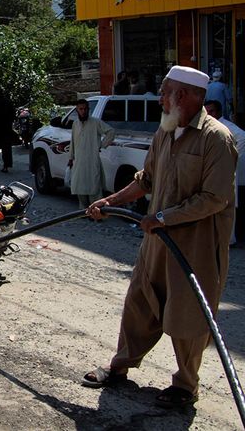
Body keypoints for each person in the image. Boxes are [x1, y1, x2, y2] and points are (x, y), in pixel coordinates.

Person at [82, 66, 237, 410]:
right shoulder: (165, 131)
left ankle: (186, 386)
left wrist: (164, 217)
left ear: (183, 96)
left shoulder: (216, 139)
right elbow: (146, 179)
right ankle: (120, 365)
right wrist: (111, 201)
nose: (160, 100)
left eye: (165, 93)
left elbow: (215, 198)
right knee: (139, 301)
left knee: (188, 315)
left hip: (195, 246)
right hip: (157, 239)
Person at [205, 99, 245, 244]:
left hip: (226, 175)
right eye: (206, 111)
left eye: (212, 111)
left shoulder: (229, 128)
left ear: (219, 112)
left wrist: (227, 162)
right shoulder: (206, 125)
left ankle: (228, 240)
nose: (209, 114)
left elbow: (241, 138)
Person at [69, 98, 115, 208]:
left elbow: (111, 132)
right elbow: (73, 142)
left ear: (88, 110)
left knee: (94, 188)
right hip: (79, 162)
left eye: (85, 109)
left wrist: (101, 145)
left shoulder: (95, 122)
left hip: (92, 161)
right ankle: (83, 212)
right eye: (81, 109)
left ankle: (96, 214)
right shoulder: (75, 124)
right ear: (77, 110)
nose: (83, 111)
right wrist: (71, 158)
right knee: (79, 188)